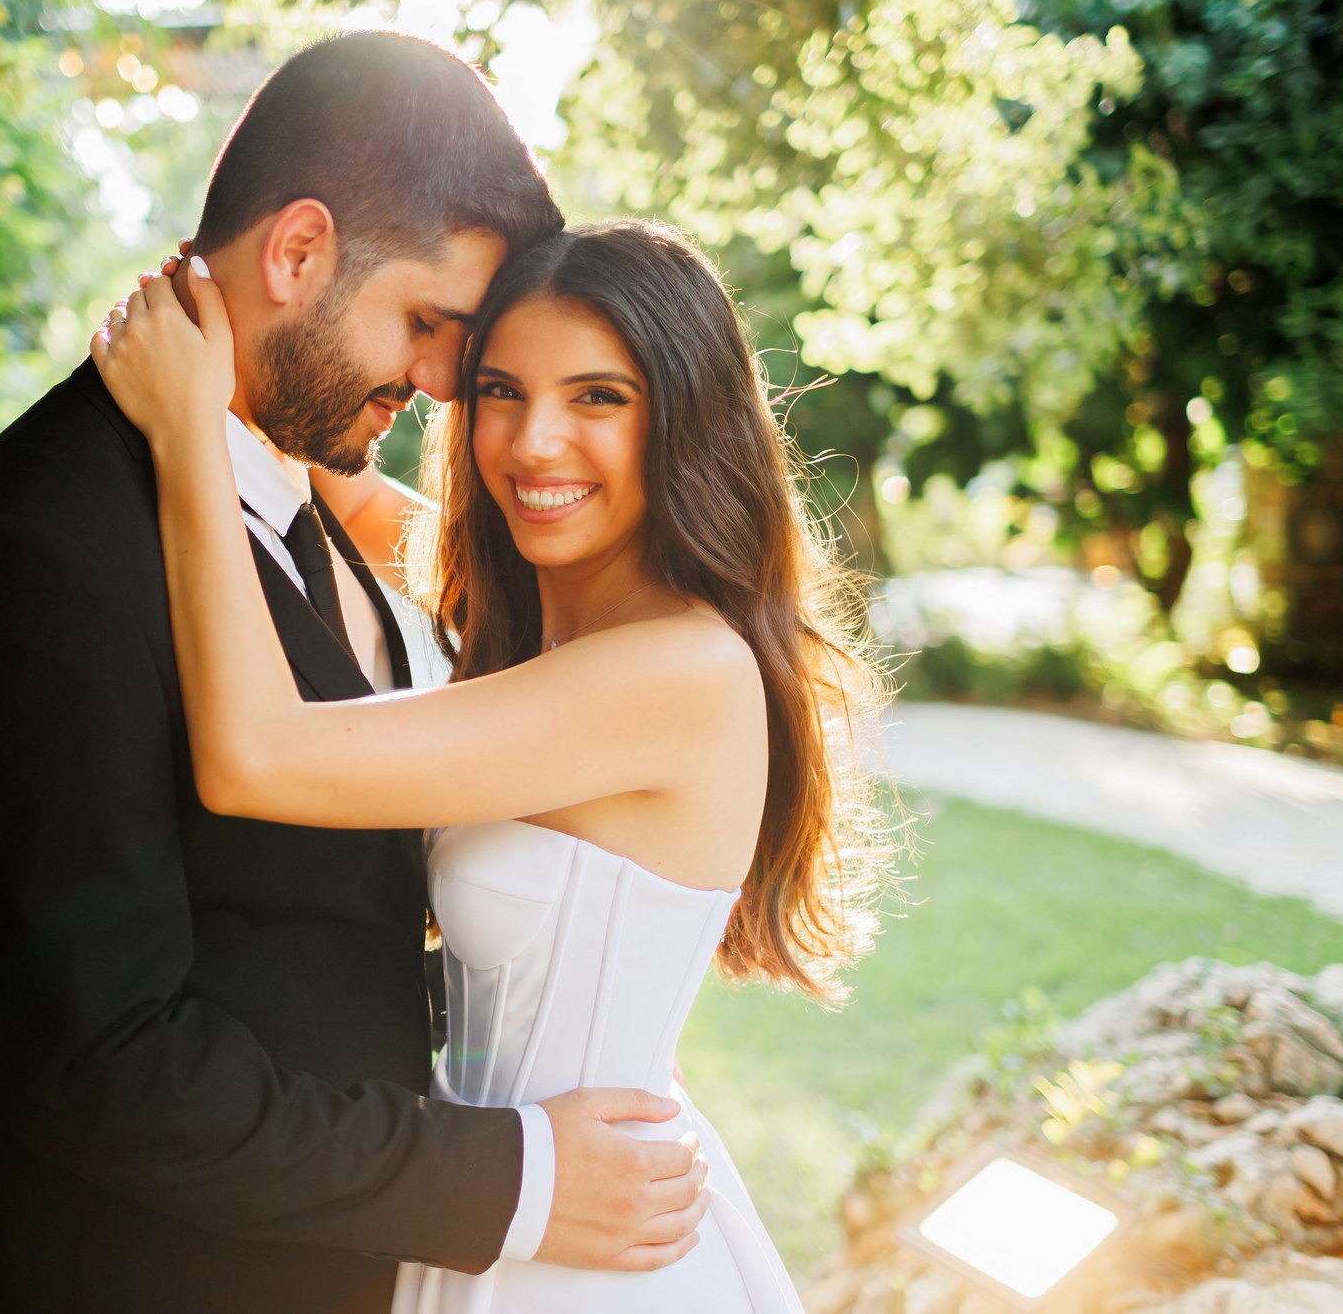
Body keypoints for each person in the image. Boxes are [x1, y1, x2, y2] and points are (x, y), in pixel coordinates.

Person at [0, 33, 711, 1314]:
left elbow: (318, 922)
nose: (443, 386)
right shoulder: (34, 552)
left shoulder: (284, 481)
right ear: (299, 252)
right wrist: (514, 1178)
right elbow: (107, 1067)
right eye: (431, 325)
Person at [91, 217, 895, 1312]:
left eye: (598, 397)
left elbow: (255, 757)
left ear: (685, 421)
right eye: (501, 393)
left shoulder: (675, 672)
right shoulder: (553, 626)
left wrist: (182, 424)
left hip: (585, 1256)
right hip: (495, 1209)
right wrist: (241, 329)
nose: (532, 445)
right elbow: (333, 489)